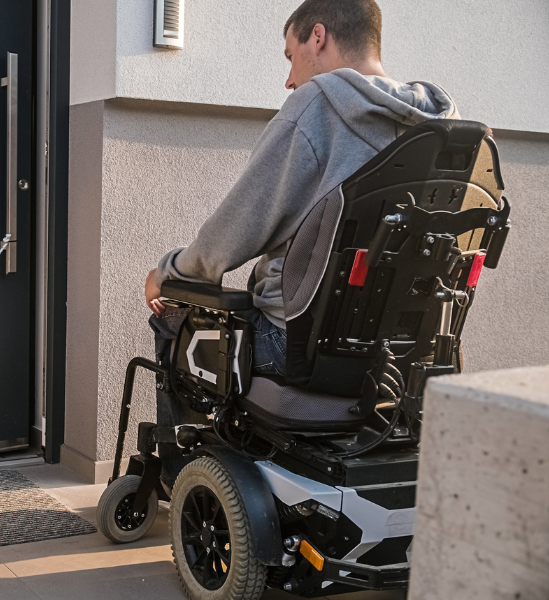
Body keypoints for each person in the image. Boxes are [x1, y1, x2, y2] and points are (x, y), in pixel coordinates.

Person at [144, 0, 460, 486]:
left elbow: (234, 229)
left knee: (174, 313)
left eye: (290, 56)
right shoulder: (444, 129)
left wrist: (169, 272)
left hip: (299, 350)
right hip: (406, 353)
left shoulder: (318, 106)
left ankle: (182, 478)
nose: (289, 79)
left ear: (318, 37)